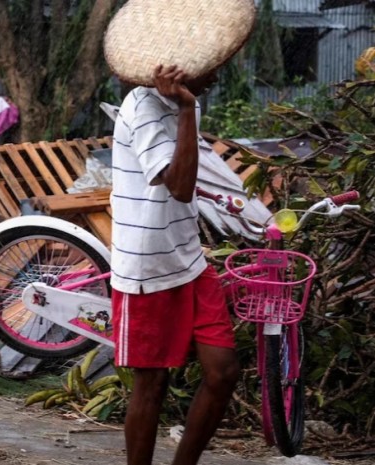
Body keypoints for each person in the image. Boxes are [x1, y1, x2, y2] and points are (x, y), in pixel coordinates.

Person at [109, 64, 240, 465]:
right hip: (146, 268)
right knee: (151, 384)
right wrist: (186, 111)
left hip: (187, 257)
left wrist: (187, 109)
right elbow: (180, 186)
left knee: (222, 371)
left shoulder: (187, 105)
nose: (215, 78)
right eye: (208, 70)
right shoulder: (143, 105)